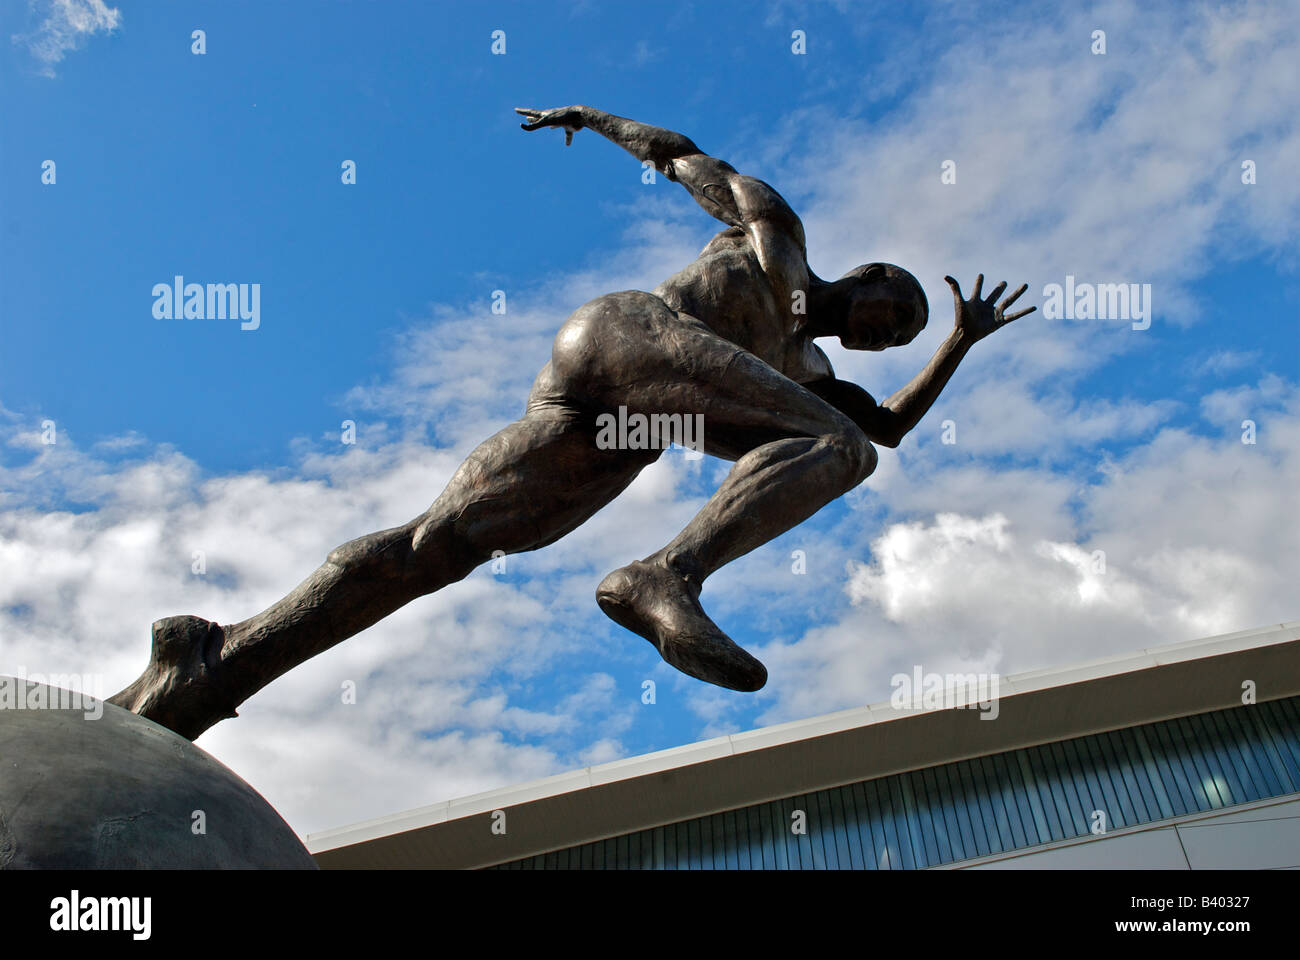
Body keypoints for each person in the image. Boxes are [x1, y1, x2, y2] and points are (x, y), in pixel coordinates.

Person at [109, 105, 1034, 740]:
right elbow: (682, 157)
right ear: (871, 275)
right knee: (837, 447)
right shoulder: (777, 241)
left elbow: (890, 431)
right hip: (626, 338)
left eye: (896, 341)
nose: (887, 338)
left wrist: (956, 343)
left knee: (437, 547)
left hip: (617, 426)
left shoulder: (809, 374)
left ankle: (206, 670)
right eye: (899, 316)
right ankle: (661, 577)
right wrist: (591, 118)